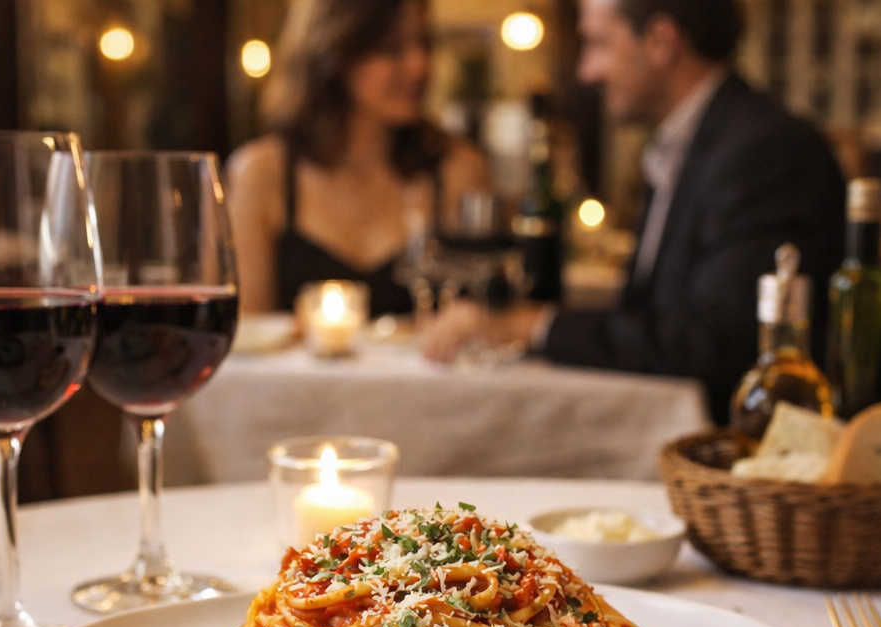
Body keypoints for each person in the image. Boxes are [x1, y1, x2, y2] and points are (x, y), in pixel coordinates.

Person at [423, 0, 846, 425]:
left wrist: (531, 325)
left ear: (661, 42)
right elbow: (655, 314)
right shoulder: (691, 143)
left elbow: (715, 343)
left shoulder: (766, 151)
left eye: (598, 44)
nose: (588, 71)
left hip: (731, 453)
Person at [227, 0, 487, 318]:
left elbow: (484, 323)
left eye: (424, 43)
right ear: (334, 53)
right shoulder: (262, 174)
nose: (420, 65)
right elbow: (249, 340)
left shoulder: (457, 170)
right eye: (391, 49)